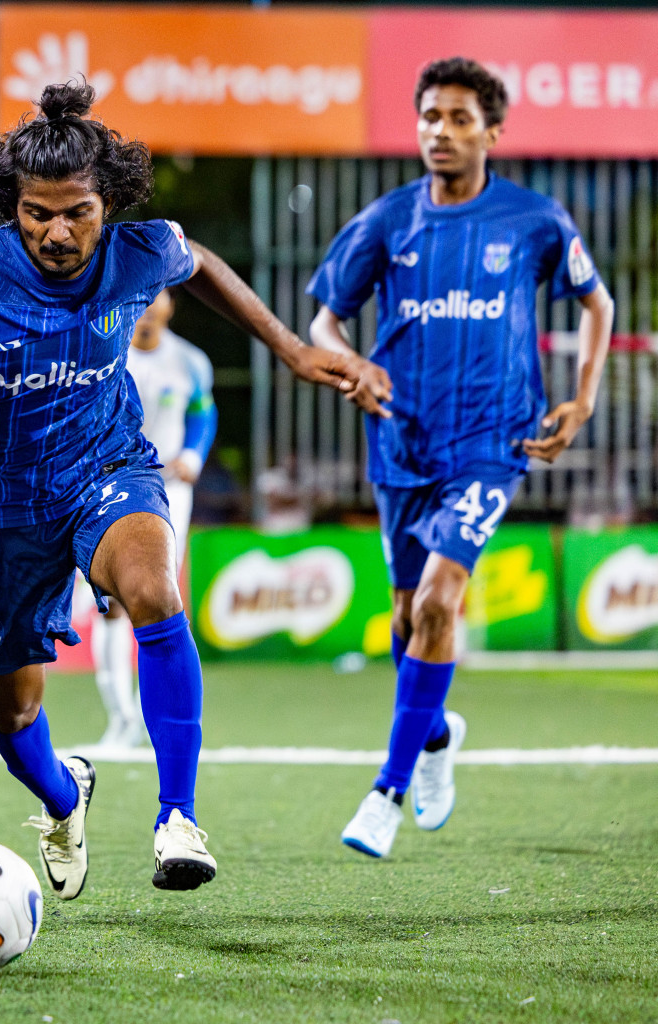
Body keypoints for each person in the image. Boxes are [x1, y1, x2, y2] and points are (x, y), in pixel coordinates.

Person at [0, 82, 385, 899]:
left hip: (108, 468)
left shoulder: (139, 251)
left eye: (78, 213)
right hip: (1, 506)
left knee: (153, 590)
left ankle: (179, 817)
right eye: (37, 213)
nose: (57, 233)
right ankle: (67, 798)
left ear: (110, 204)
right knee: (14, 715)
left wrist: (289, 350)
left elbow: (197, 260)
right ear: (12, 205)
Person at [307, 58, 613, 859]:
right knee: (411, 621)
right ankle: (437, 738)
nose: (439, 132)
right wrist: (354, 363)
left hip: (492, 442)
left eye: (458, 119)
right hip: (402, 444)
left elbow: (596, 302)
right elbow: (322, 327)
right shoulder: (386, 221)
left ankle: (389, 789)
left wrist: (580, 399)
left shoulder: (534, 220)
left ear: (492, 132)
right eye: (430, 117)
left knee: (441, 601)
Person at [91, 287, 216, 748]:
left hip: (169, 491)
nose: (146, 313)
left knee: (157, 598)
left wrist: (193, 456)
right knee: (111, 604)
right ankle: (119, 715)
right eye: (138, 304)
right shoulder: (107, 354)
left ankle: (151, 713)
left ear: (169, 308)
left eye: (155, 304)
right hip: (110, 484)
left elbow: (204, 413)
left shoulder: (189, 361)